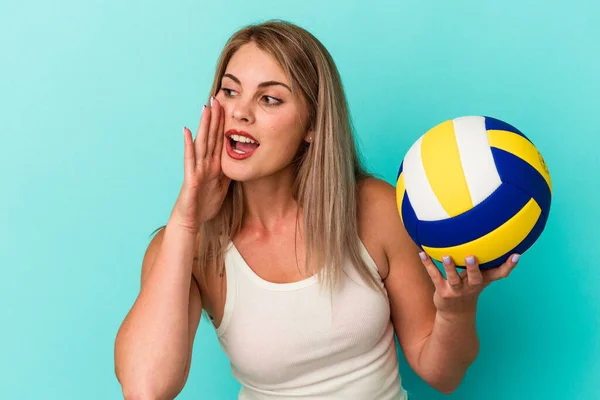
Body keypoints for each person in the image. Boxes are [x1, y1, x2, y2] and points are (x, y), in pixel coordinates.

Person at [113, 19, 520, 400]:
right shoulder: (188, 246)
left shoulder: (375, 208)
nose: (240, 111)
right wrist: (186, 222)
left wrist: (457, 308)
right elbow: (145, 388)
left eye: (269, 98)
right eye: (229, 90)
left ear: (312, 125)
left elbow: (441, 375)